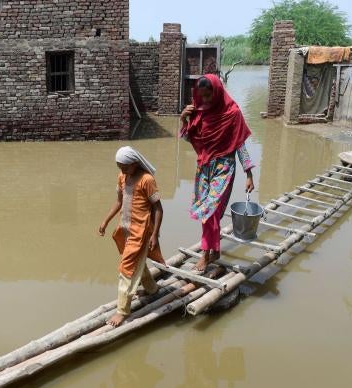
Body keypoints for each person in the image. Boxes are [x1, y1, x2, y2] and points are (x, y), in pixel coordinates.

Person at [180, 74, 256, 274]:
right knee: (208, 213)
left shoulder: (232, 113)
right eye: (202, 96)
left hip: (223, 168)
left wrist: (249, 174)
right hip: (204, 168)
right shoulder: (200, 111)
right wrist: (184, 119)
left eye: (208, 96)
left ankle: (205, 255)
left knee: (210, 212)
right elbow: (191, 139)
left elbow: (240, 145)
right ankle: (215, 250)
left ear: (217, 91)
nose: (205, 100)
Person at [99, 146, 166, 327]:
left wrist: (155, 234)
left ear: (135, 163)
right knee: (137, 262)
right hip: (125, 229)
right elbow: (119, 201)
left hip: (141, 232)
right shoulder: (122, 177)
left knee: (126, 269)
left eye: (125, 167)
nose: (122, 170)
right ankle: (152, 289)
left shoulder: (147, 180)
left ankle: (122, 311)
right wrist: (106, 221)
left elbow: (158, 208)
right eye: (119, 167)